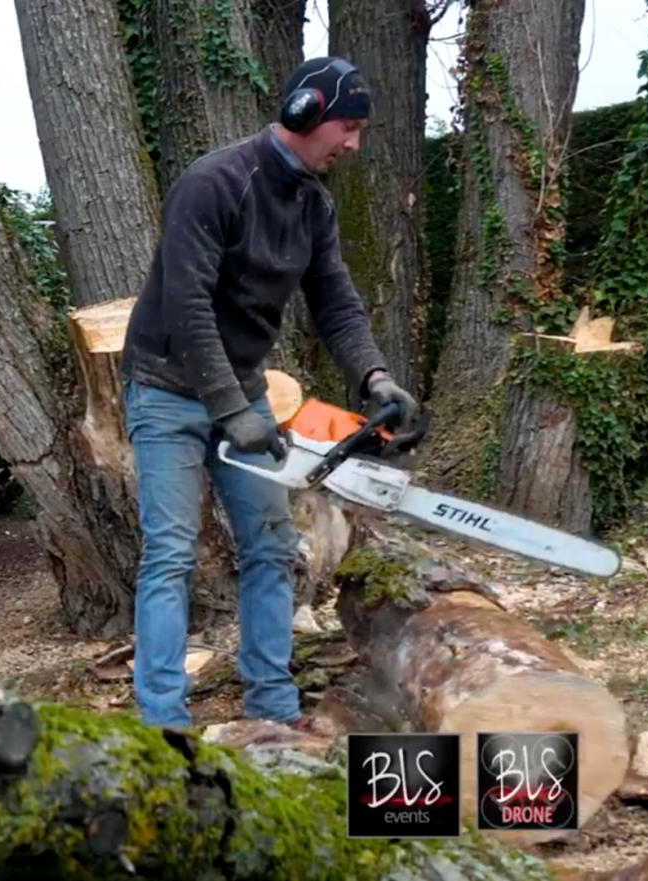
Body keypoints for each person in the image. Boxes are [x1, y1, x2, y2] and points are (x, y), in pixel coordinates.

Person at [116, 56, 421, 730]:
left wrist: (375, 377)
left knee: (271, 546)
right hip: (168, 390)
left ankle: (272, 708)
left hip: (242, 391)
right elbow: (189, 307)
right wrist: (230, 410)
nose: (353, 143)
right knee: (169, 551)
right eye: (347, 126)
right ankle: (162, 724)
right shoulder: (213, 184)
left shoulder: (313, 202)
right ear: (303, 112)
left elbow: (336, 301)